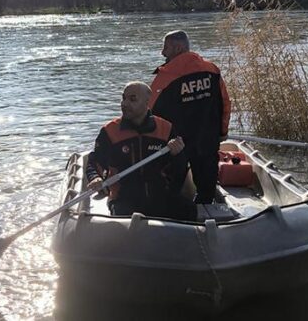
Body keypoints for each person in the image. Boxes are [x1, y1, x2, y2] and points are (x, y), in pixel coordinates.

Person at [86, 81, 196, 220]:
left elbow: (179, 170)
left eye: (132, 99)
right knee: (124, 219)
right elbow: (94, 161)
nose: (124, 104)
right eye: (123, 98)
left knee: (189, 210)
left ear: (146, 102)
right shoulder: (110, 131)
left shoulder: (165, 128)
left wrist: (177, 154)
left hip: (159, 194)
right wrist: (95, 177)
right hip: (124, 197)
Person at [149, 30, 231, 204]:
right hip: (208, 139)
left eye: (166, 48)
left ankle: (171, 211)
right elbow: (224, 102)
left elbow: (149, 114)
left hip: (177, 144)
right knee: (206, 183)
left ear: (178, 48)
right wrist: (223, 131)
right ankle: (205, 207)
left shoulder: (165, 78)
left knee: (171, 184)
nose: (163, 53)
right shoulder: (212, 70)